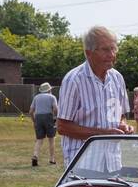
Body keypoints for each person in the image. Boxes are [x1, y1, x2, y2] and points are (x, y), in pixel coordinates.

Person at [56, 25, 133, 174]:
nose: (111, 54)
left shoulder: (117, 78)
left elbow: (120, 115)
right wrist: (102, 134)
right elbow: (62, 126)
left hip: (113, 163)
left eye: (114, 48)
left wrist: (123, 126)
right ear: (88, 53)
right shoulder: (74, 80)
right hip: (83, 164)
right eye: (105, 50)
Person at [30, 82, 58, 166]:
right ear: (49, 90)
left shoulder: (36, 97)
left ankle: (35, 155)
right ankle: (52, 159)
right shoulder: (52, 97)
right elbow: (55, 109)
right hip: (49, 117)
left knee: (39, 140)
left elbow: (31, 111)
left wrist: (34, 120)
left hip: (38, 117)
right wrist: (56, 118)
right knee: (51, 139)